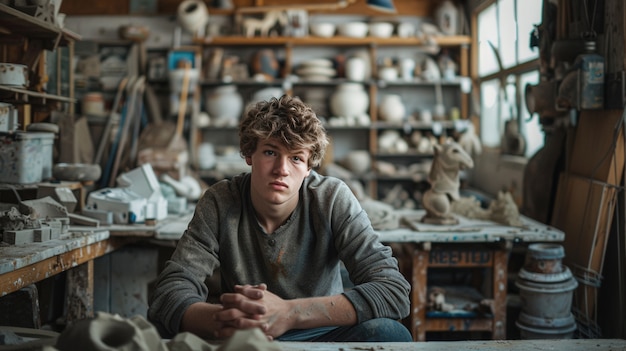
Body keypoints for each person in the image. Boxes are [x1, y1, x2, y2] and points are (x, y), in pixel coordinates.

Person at [148, 95, 412, 342]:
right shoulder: (220, 201)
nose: (281, 170)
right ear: (249, 154)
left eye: (296, 158)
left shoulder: (331, 199)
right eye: (271, 152)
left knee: (390, 334)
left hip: (322, 333)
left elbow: (393, 291)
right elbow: (170, 292)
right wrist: (225, 320)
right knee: (163, 325)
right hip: (247, 335)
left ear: (309, 167)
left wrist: (288, 313)